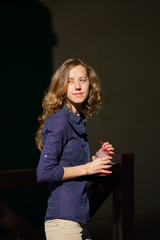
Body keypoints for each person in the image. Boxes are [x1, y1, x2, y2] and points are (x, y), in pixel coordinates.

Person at [35, 58, 114, 240]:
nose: (77, 86)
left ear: (90, 84)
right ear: (61, 86)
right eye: (70, 81)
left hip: (79, 220)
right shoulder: (60, 121)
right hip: (63, 222)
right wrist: (88, 168)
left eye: (82, 80)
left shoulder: (76, 120)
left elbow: (72, 166)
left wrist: (97, 161)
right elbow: (44, 172)